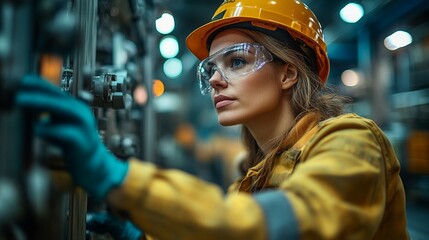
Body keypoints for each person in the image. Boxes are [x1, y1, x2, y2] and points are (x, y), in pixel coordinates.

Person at [15, 0, 409, 239]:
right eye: (210, 69)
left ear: (288, 73)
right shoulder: (254, 178)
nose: (216, 79)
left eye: (237, 61)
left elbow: (275, 228)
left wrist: (118, 179)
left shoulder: (353, 140)